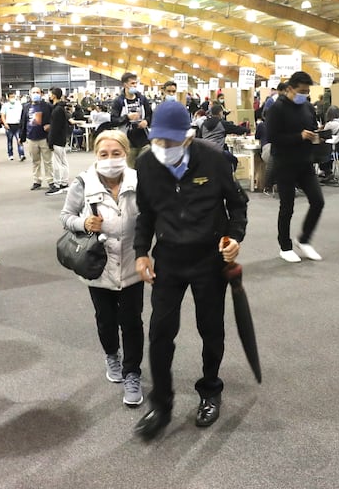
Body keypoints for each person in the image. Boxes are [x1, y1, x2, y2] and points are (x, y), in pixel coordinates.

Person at [131, 100, 247, 441]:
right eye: (158, 141)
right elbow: (146, 215)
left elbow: (237, 203)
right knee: (160, 333)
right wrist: (141, 254)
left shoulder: (212, 158)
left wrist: (235, 238)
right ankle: (161, 403)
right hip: (168, 259)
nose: (163, 148)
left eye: (170, 142)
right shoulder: (148, 162)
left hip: (209, 261)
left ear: (187, 136)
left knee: (210, 329)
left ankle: (210, 389)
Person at [59, 130, 144, 407]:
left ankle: (133, 373)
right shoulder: (83, 183)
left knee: (132, 322)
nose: (110, 159)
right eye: (104, 154)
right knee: (106, 319)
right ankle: (111, 355)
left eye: (116, 153)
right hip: (99, 266)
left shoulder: (140, 181)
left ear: (126, 153)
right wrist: (82, 224)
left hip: (132, 263)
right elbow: (66, 216)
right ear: (96, 156)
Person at [265, 71, 325, 263]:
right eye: (301, 91)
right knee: (287, 207)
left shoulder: (307, 106)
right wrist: (298, 137)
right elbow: (273, 138)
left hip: (305, 162)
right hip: (284, 163)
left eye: (307, 91)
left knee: (318, 201)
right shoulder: (277, 108)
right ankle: (285, 246)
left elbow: (312, 126)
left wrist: (316, 135)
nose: (305, 94)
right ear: (290, 89)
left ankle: (304, 240)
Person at [109, 72, 153, 157]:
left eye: (136, 83)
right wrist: (127, 117)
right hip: (127, 140)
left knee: (145, 165)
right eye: (132, 83)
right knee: (130, 166)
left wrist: (146, 121)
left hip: (143, 139)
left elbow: (150, 115)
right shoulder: (118, 101)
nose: (135, 85)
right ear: (125, 85)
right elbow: (113, 120)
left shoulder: (142, 99)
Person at [25, 86, 56, 192]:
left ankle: (51, 181)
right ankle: (37, 181)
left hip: (44, 138)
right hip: (31, 138)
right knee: (35, 161)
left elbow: (54, 118)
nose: (35, 94)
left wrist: (50, 126)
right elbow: (23, 121)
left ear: (41, 94)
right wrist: (22, 137)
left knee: (48, 161)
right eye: (33, 92)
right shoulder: (26, 107)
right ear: (30, 94)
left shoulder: (47, 106)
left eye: (37, 92)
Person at [46, 87, 72, 196]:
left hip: (57, 140)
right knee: (63, 161)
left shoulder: (57, 110)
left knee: (57, 163)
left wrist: (50, 141)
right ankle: (64, 183)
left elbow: (55, 128)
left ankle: (57, 184)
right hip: (61, 139)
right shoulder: (61, 108)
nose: (49, 96)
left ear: (54, 95)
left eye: (50, 94)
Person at [2, 93, 26, 161]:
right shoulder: (5, 105)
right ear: (8, 98)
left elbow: (22, 114)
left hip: (18, 125)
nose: (13, 98)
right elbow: (3, 115)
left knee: (19, 140)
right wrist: (5, 123)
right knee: (9, 141)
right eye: (11, 97)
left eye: (14, 96)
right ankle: (10, 154)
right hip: (9, 125)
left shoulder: (19, 104)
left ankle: (21, 154)